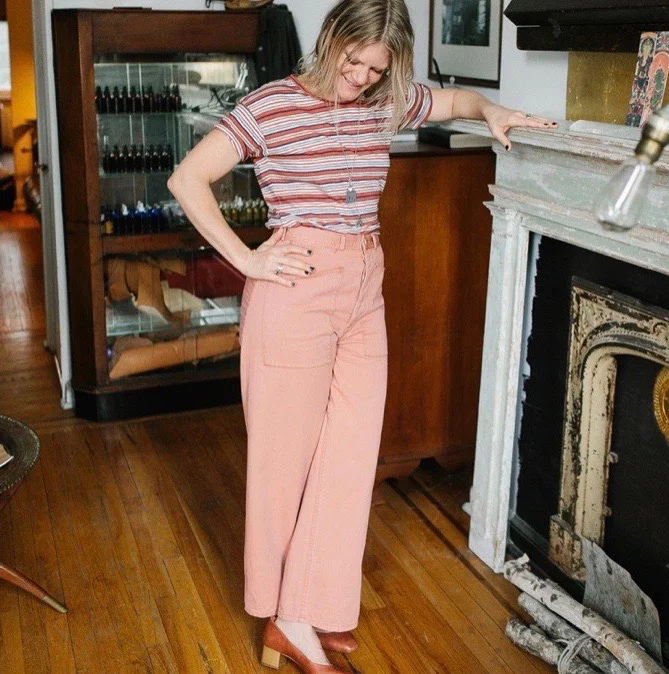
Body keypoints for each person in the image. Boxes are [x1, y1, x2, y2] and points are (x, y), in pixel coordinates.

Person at [167, 1, 557, 671]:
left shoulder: (382, 103)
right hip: (297, 290)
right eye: (354, 62)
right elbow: (187, 178)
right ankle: (285, 619)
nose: (361, 78)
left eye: (377, 69)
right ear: (331, 40)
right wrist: (248, 260)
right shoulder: (271, 105)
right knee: (284, 462)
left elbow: (454, 99)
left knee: (349, 457)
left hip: (363, 291)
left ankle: (312, 602)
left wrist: (490, 111)